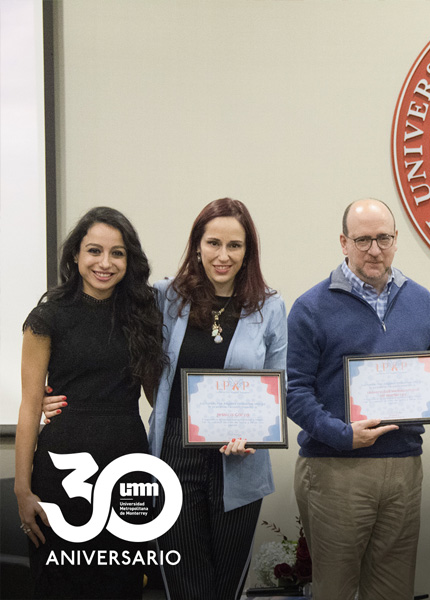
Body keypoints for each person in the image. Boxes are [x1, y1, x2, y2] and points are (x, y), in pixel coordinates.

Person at [42, 198, 287, 599]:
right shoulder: (165, 298)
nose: (222, 255)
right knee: (185, 583)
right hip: (175, 453)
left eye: (234, 245)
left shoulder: (270, 307)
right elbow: (103, 328)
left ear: (248, 252)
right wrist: (44, 395)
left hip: (242, 459)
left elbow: (278, 385)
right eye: (212, 243)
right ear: (197, 246)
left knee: (225, 586)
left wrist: (256, 434)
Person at [286, 198, 430, 600]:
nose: (374, 250)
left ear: (396, 240)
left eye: (383, 239)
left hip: (403, 466)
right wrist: (342, 434)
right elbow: (294, 393)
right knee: (335, 589)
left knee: (393, 588)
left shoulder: (420, 299)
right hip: (336, 470)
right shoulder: (311, 307)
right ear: (344, 242)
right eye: (363, 240)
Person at [15, 207, 165, 598]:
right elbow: (30, 406)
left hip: (128, 470)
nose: (105, 262)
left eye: (117, 253)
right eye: (94, 250)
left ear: (129, 260)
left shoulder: (143, 314)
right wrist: (22, 489)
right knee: (61, 585)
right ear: (76, 256)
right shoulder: (47, 317)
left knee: (122, 584)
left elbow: (157, 395)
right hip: (61, 475)